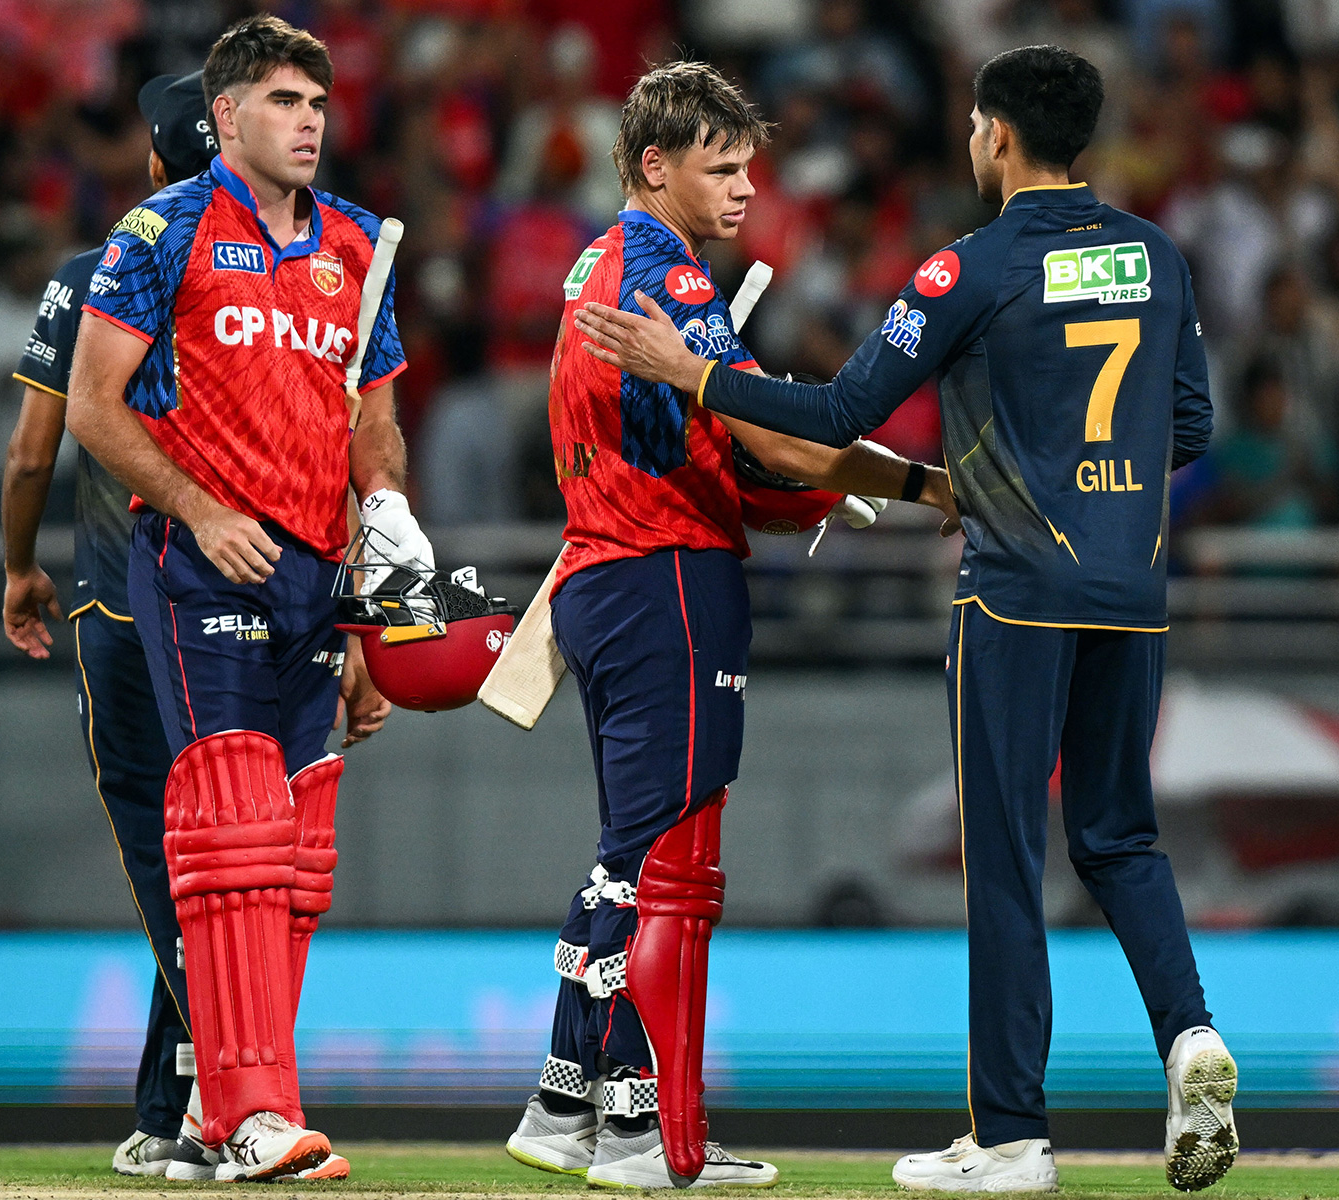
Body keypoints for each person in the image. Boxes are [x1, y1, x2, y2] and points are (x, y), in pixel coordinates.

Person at [573, 44, 1239, 1196]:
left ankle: (1012, 1138)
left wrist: (697, 376)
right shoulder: (1158, 255)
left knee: (1008, 861)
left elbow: (835, 410)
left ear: (992, 133)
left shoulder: (965, 270)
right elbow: (1187, 430)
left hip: (1018, 594)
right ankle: (1189, 1036)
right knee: (1121, 837)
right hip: (1132, 594)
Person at [502, 60, 957, 1191]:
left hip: (610, 574)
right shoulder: (665, 279)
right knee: (665, 872)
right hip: (665, 582)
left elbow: (729, 462)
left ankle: (575, 1105)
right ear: (654, 167)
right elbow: (786, 443)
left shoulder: (600, 264)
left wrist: (807, 486)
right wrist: (914, 484)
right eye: (721, 167)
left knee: (629, 858)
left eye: (748, 164)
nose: (747, 188)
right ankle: (648, 1134)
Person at [65, 15, 419, 1183]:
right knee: (230, 833)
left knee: (297, 855)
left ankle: (240, 1115)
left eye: (316, 100)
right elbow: (93, 408)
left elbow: (372, 424)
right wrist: (203, 510)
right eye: (281, 99)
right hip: (198, 567)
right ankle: (251, 1110)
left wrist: (384, 587)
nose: (309, 119)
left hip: (320, 585)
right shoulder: (157, 231)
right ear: (223, 118)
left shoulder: (361, 244)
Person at [0, 69, 218, 1179]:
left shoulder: (96, 273)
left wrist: (16, 569)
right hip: (240, 599)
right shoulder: (269, 282)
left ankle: (210, 1099)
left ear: (152, 164)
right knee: (221, 855)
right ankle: (168, 1097)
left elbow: (35, 451)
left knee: (163, 856)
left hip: (117, 602)